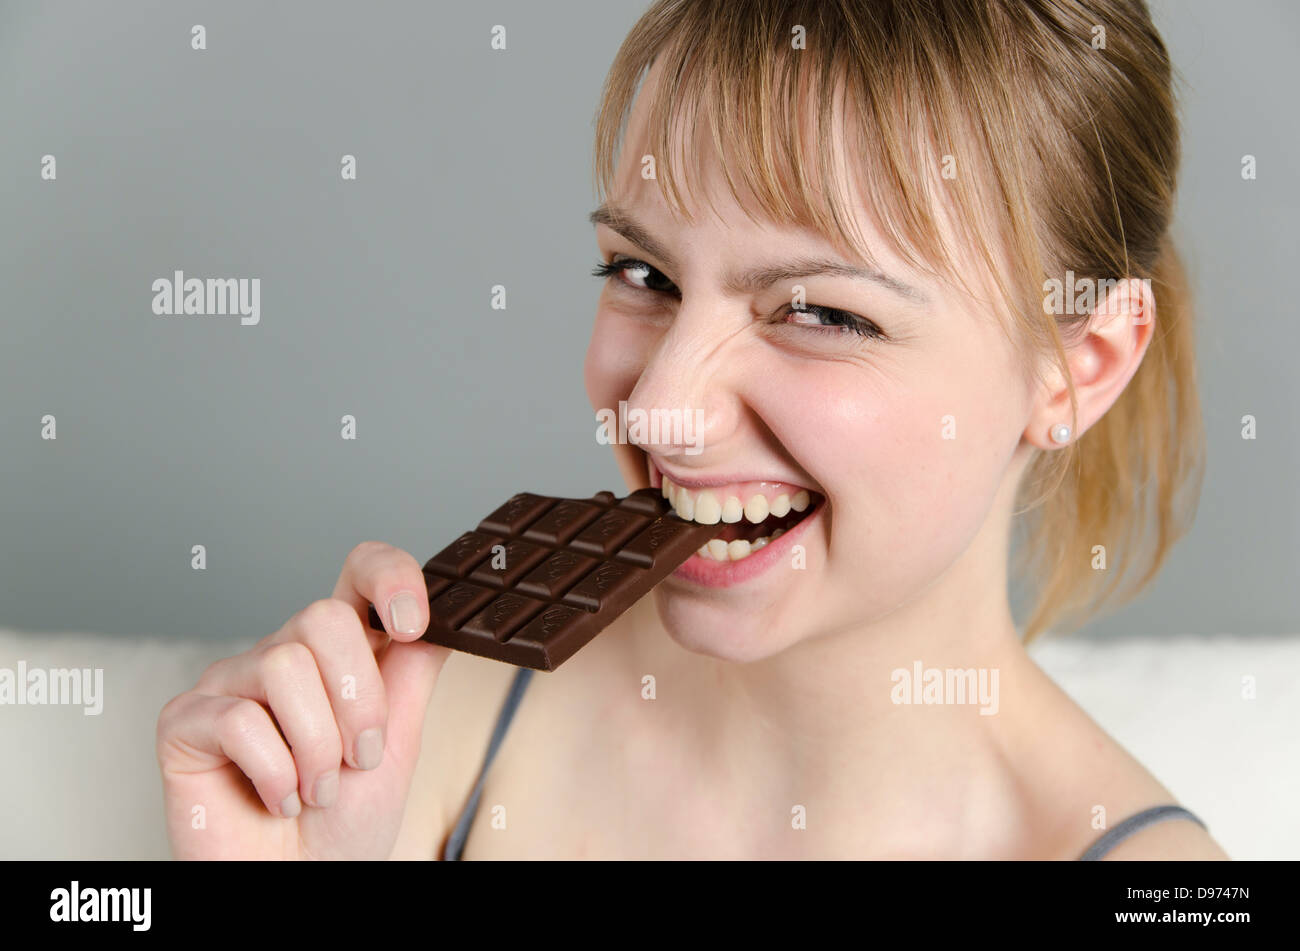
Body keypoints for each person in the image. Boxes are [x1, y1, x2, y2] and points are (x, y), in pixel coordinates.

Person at [157, 0, 1229, 860]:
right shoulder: (427, 717)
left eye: (822, 311)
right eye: (642, 274)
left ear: (1076, 366)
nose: (660, 403)